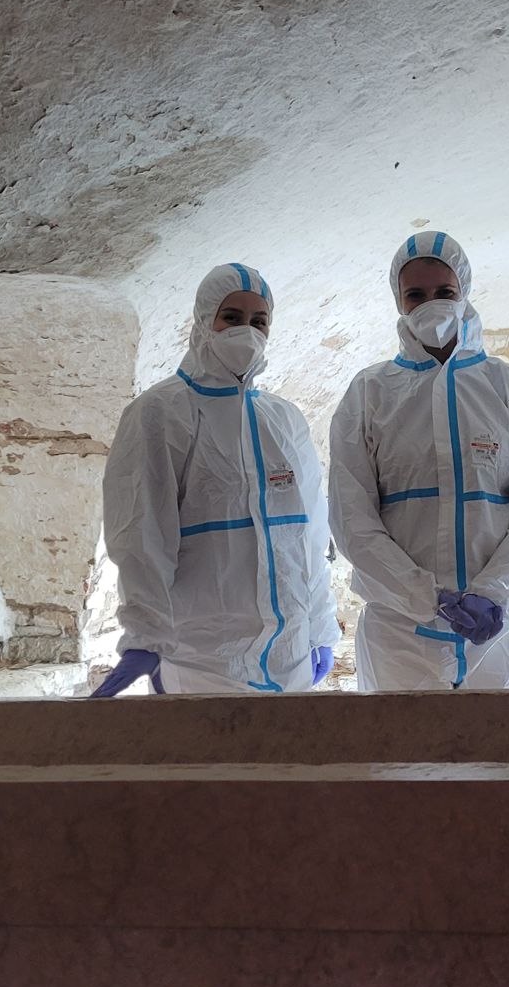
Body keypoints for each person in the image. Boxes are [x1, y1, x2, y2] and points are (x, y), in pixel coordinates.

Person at [329, 231, 509, 690]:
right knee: (398, 757)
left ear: (464, 293)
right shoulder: (370, 393)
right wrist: (423, 597)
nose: (430, 304)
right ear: (398, 302)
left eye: (445, 292)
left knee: (507, 755)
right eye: (415, 295)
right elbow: (352, 517)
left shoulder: (508, 388)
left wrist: (495, 593)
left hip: (502, 631)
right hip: (399, 632)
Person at [92, 262, 339, 696]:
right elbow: (141, 534)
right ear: (205, 320)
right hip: (201, 658)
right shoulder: (160, 412)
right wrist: (145, 635)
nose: (247, 331)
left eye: (259, 321)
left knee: (288, 764)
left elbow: (310, 537)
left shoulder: (282, 419)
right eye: (232, 318)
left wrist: (320, 628)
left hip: (289, 657)